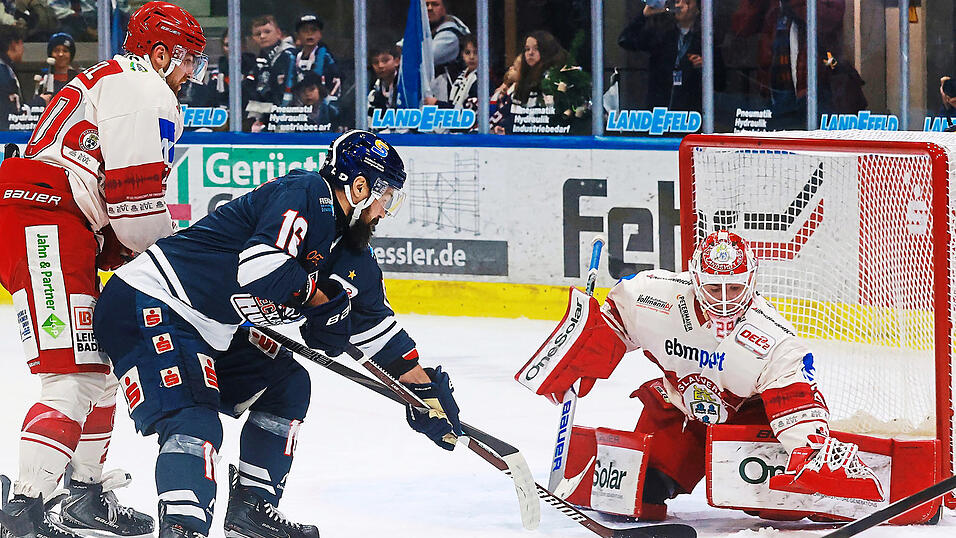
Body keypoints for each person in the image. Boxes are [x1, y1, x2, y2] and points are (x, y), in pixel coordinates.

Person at [91, 130, 462, 538]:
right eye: (385, 197)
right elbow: (260, 267)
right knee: (194, 420)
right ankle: (183, 528)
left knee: (287, 383)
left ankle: (252, 509)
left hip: (210, 326)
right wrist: (319, 300)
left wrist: (421, 391)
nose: (384, 212)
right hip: (151, 300)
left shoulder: (352, 253)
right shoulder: (306, 193)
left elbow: (374, 330)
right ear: (359, 187)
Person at [0, 2, 206, 538]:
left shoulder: (115, 79)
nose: (191, 73)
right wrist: (185, 268)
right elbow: (137, 213)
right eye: (187, 59)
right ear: (159, 53)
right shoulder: (144, 88)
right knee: (69, 378)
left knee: (101, 370)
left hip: (58, 221)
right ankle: (24, 508)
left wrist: (138, 251)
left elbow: (119, 214)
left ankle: (84, 493)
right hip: (44, 222)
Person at [519, 230, 884, 519]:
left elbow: (795, 403)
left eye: (734, 287)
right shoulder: (651, 296)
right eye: (713, 287)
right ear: (696, 280)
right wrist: (586, 350)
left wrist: (812, 451)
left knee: (776, 507)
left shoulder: (774, 340)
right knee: (638, 492)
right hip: (680, 413)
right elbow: (615, 322)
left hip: (747, 423)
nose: (724, 299)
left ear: (751, 282)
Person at [618, 0, 724, 112]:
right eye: (677, 1)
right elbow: (625, 40)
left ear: (698, 9)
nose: (679, 5)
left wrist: (704, 67)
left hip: (689, 112)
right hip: (659, 109)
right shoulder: (662, 34)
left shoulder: (706, 40)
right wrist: (644, 15)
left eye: (687, 2)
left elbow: (720, 83)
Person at [425, 33, 478, 115]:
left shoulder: (480, 81)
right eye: (467, 52)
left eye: (476, 53)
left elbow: (468, 113)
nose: (471, 57)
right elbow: (453, 105)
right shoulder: (461, 76)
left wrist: (437, 103)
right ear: (462, 54)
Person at [292, 13, 341, 100]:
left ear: (320, 34)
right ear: (298, 35)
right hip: (299, 101)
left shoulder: (326, 57)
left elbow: (333, 78)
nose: (309, 34)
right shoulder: (294, 56)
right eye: (305, 30)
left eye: (313, 30)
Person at [512, 30, 567, 106]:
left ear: (547, 50)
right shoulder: (524, 78)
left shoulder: (555, 78)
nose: (530, 53)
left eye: (536, 48)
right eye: (527, 49)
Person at [425, 0, 470, 84]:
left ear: (444, 8)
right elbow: (401, 48)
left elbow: (422, 59)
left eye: (435, 4)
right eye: (426, 4)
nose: (429, 8)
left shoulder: (450, 36)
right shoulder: (427, 29)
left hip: (448, 91)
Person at [33, 32, 80, 106]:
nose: (61, 54)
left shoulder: (78, 78)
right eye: (56, 51)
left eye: (65, 51)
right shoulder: (45, 78)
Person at [367, 44, 400, 123]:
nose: (380, 65)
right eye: (375, 62)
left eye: (385, 60)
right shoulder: (372, 87)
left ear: (397, 61)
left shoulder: (405, 85)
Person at [0, 23, 23, 130]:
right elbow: (10, 111)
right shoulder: (3, 72)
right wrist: (39, 102)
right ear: (14, 44)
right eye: (22, 43)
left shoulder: (6, 68)